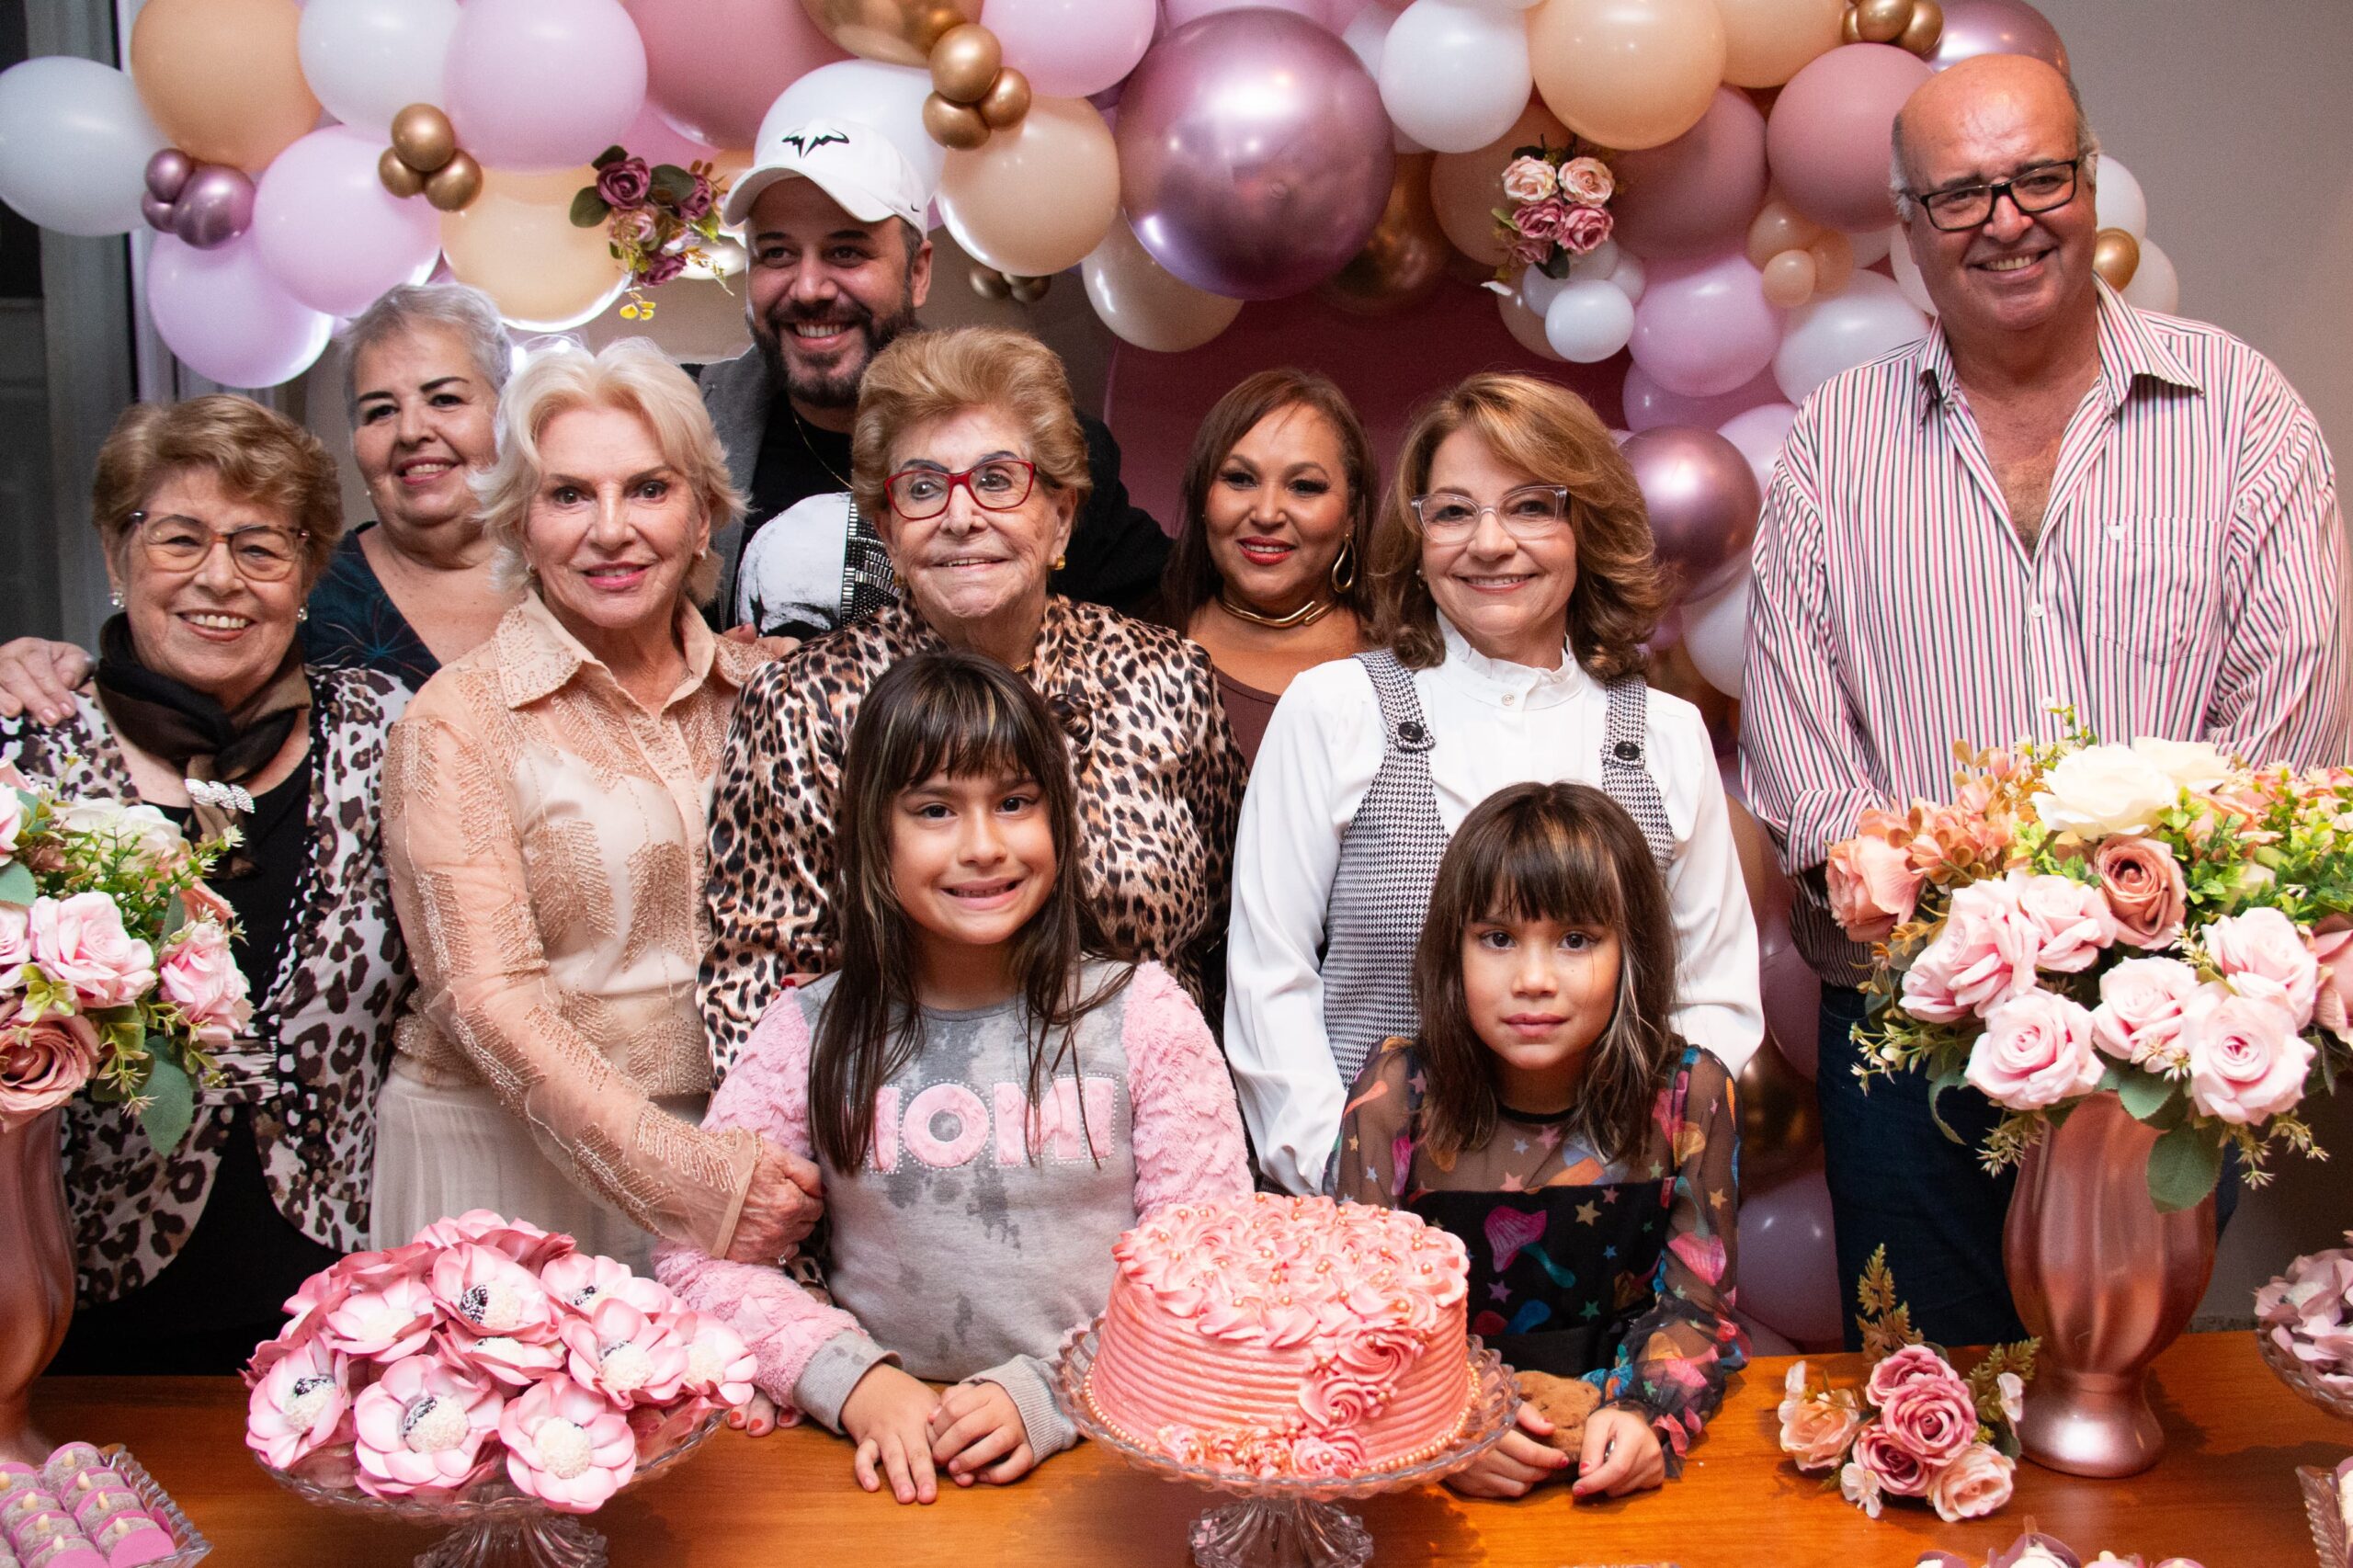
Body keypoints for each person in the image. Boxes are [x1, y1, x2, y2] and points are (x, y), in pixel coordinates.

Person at [1740, 55, 2348, 1348]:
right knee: (1927, 1394)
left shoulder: (2242, 413)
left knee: (2115, 1385)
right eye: (1961, 194)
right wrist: (1970, 941)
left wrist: (2123, 951)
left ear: (2089, 181)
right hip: (1907, 1030)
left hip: (2167, 1032)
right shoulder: (1836, 440)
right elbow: (1798, 741)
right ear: (1908, 226)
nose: (2006, 220)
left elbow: (2288, 729)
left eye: (2037, 179)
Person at [656, 651, 1250, 1504]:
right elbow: (692, 1251)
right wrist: (851, 1380)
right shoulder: (807, 1031)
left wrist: (1056, 1388)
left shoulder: (1144, 1016)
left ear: (1059, 819)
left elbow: (1208, 1266)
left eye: (1014, 803)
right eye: (935, 810)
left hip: (1109, 1457)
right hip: (884, 1467)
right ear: (875, 835)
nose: (983, 847)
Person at [1227, 372, 1763, 1197]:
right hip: (1367, 1220)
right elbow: (1270, 975)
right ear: (1418, 538)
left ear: (1586, 527)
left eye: (1530, 507)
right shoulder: (1334, 710)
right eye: (1452, 512)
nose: (1488, 542)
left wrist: (1628, 1178)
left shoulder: (1666, 735)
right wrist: (1349, 1187)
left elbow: (1712, 999)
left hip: (1606, 1218)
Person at [376, 339, 820, 1273]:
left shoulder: (769, 690)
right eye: (569, 494)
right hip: (505, 1166)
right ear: (519, 524)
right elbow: (485, 999)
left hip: (738, 1145)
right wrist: (689, 1179)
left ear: (703, 516)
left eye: (649, 489)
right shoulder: (459, 719)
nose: (611, 529)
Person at [699, 326, 1245, 1072]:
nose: (961, 517)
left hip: (1150, 1112)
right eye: (923, 488)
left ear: (1061, 515)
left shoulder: (1168, 678)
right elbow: (759, 985)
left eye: (996, 480)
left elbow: (1224, 936)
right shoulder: (801, 705)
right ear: (887, 529)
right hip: (894, 1123)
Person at [3, 395, 409, 1373]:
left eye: (261, 547)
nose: (219, 577)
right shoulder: (29, 753)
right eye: (180, 538)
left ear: (306, 574)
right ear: (116, 553)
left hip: (343, 1314)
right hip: (78, 1311)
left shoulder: (389, 733)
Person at [1341, 781, 1745, 1499]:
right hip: (1445, 1481)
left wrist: (1646, 1416)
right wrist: (1446, 1426)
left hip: (1616, 1468)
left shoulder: (1689, 1094)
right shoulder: (1395, 1097)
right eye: (1498, 939)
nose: (1533, 980)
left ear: (1631, 950)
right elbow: (1359, 1314)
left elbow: (1697, 1309)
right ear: (1452, 950)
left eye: (1575, 940)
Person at [699, 118, 1168, 637]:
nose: (809, 288)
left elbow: (1174, 612)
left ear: (918, 272)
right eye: (777, 254)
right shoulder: (684, 432)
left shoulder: (1044, 450)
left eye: (846, 252)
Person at [0, 283, 520, 716]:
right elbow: (159, 700)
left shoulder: (563, 574)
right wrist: (48, 668)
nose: (411, 431)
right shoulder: (288, 583)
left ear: (509, 412)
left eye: (444, 399)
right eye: (380, 411)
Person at [1162, 369, 1375, 766]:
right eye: (1240, 479)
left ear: (1351, 516)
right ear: (1203, 498)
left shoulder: (1407, 660)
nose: (1266, 513)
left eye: (1304, 486)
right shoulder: (1135, 646)